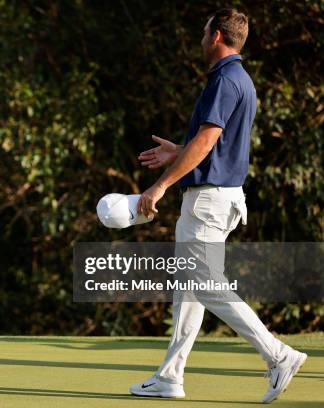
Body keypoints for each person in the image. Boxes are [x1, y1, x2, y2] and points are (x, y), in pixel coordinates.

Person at [131, 9, 307, 403]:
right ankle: (170, 376)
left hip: (209, 201)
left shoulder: (225, 80)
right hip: (220, 197)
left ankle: (278, 354)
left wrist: (160, 186)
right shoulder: (238, 79)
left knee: (204, 286)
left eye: (203, 29)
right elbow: (218, 147)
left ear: (215, 37)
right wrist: (178, 152)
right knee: (190, 289)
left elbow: (208, 142)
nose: (200, 36)